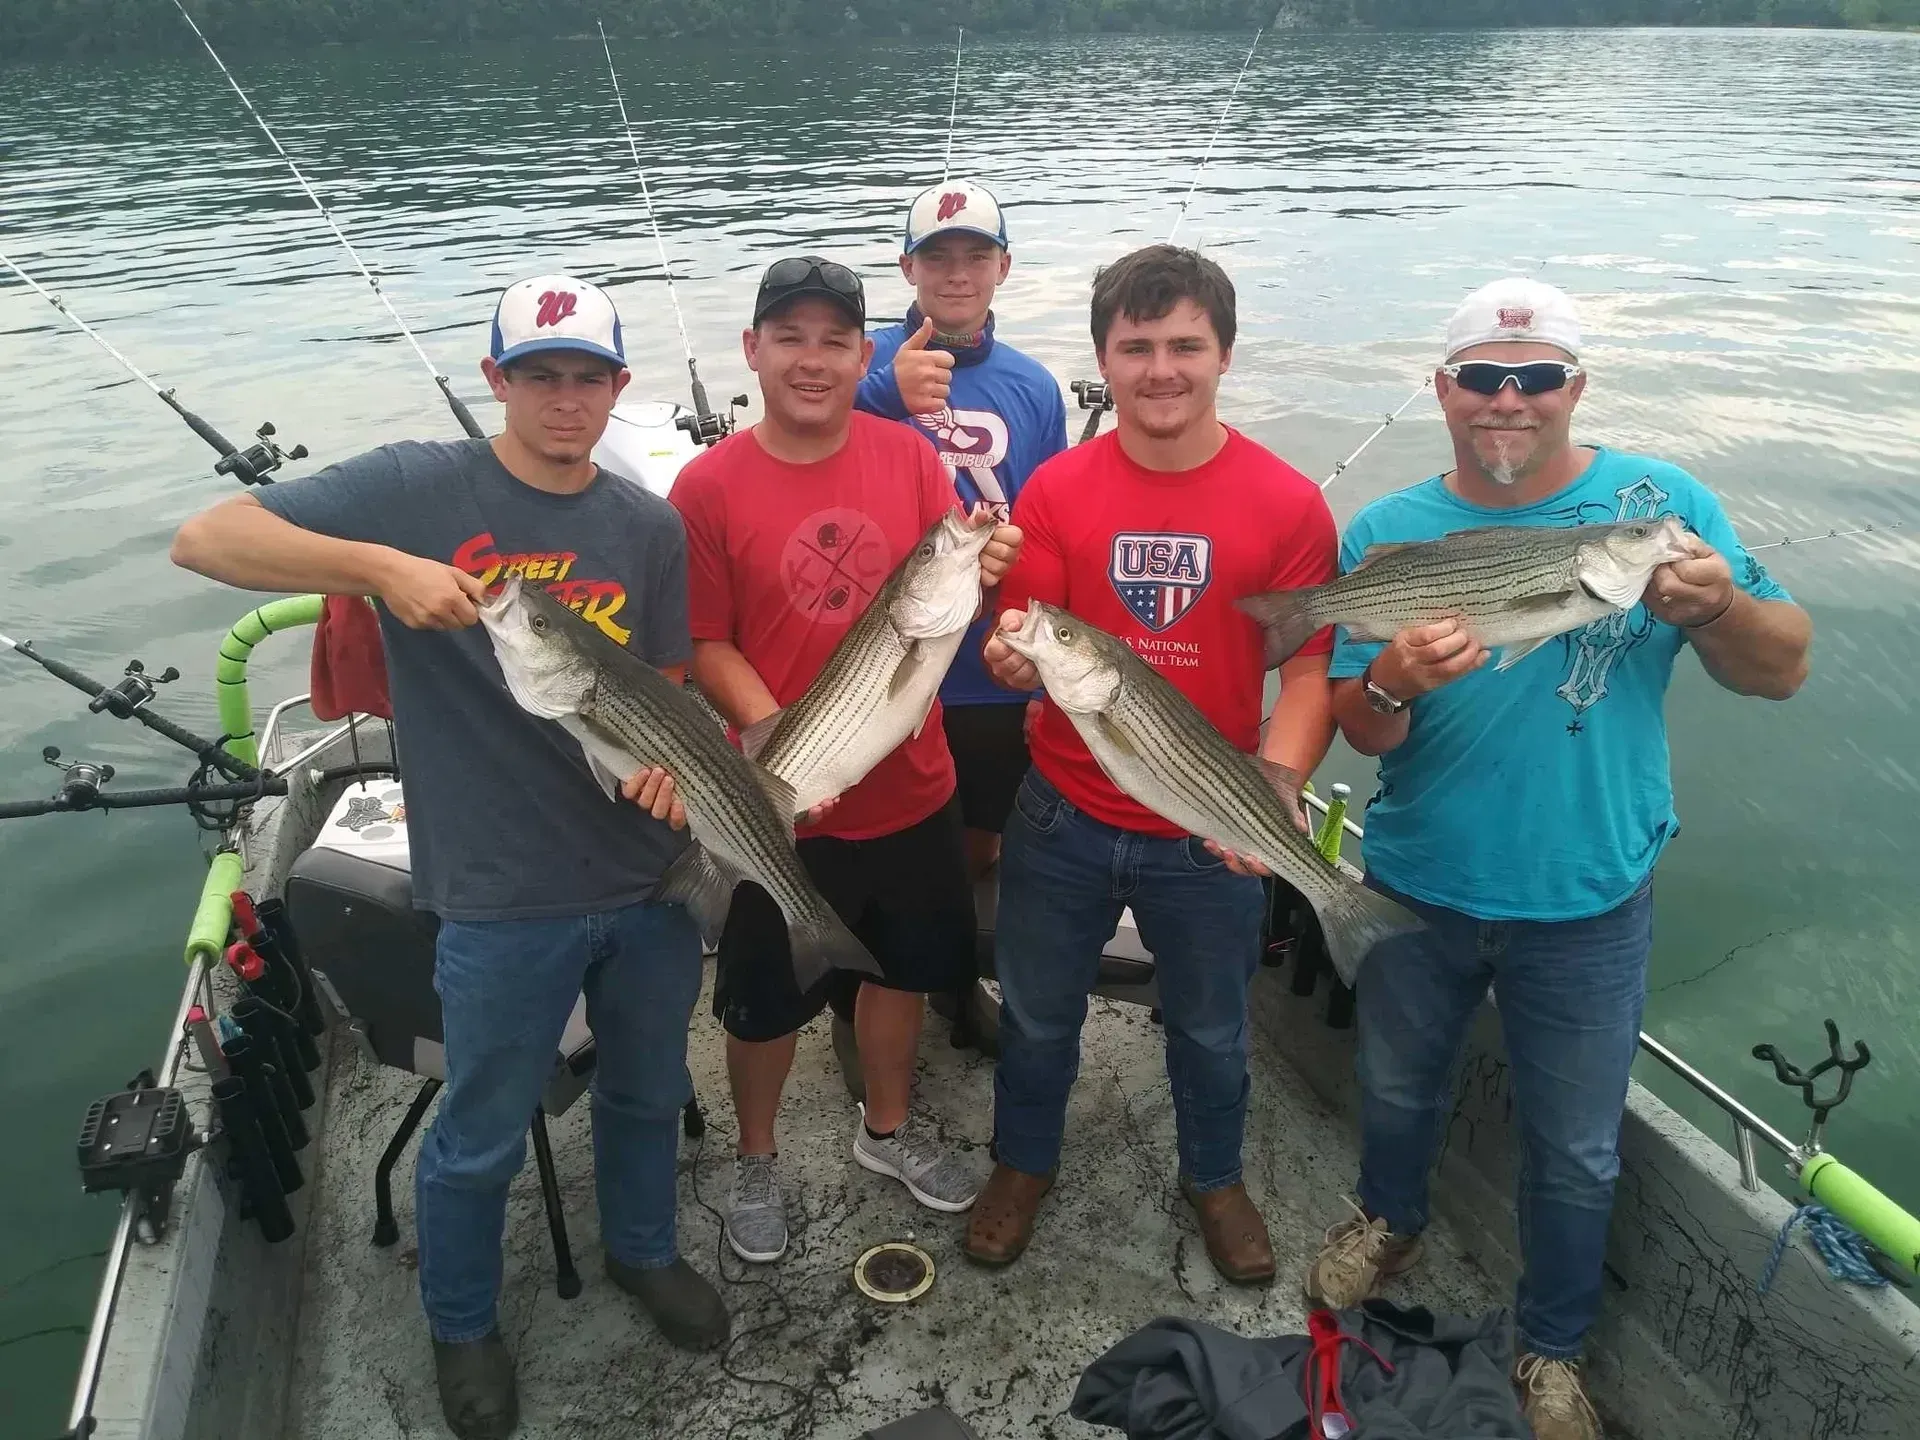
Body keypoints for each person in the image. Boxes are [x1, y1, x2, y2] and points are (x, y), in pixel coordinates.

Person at [169, 275, 728, 1440]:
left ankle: (641, 1250)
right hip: (498, 891)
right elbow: (206, 538)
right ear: (495, 383)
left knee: (647, 1088)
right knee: (479, 1130)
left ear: (619, 389)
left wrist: (675, 769)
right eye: (539, 375)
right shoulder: (419, 487)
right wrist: (380, 570)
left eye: (588, 378)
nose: (565, 399)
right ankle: (462, 1322)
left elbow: (666, 685)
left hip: (649, 880)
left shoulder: (648, 526)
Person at [1302, 277, 1812, 1440]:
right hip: (1417, 878)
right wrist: (1392, 682)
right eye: (1482, 377)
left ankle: (1553, 1349)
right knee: (1394, 1085)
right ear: (1443, 390)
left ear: (1576, 385)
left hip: (1591, 899)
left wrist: (1716, 609)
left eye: (1535, 378)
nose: (1509, 400)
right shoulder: (1386, 534)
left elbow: (1782, 668)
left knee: (1577, 1153)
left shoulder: (1662, 508)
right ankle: (1388, 1219)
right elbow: (1362, 729)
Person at [971, 243, 1340, 1285]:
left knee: (1214, 1031)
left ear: (1225, 354)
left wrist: (1277, 786)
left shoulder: (1288, 504)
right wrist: (1009, 655)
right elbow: (1024, 630)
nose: (1161, 369)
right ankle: (1023, 1161)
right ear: (1104, 359)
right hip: (1063, 815)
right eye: (1137, 347)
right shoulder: (1057, 488)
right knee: (1038, 1016)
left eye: (1186, 345)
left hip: (1209, 822)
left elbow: (1309, 672)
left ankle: (1214, 1177)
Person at [668, 255, 1023, 1266]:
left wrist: (987, 564)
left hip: (914, 791)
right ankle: (757, 1158)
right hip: (777, 790)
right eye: (790, 337)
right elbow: (705, 639)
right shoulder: (706, 485)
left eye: (835, 340)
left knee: (900, 975)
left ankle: (887, 1129)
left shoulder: (911, 458)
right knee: (762, 1002)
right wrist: (777, 732)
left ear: (864, 354)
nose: (813, 360)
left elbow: (945, 607)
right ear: (753, 350)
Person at [854, 177, 1069, 881]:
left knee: (981, 840)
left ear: (1003, 266)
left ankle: (962, 942)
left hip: (988, 669)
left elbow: (1047, 531)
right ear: (906, 267)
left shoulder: (1034, 386)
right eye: (936, 256)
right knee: (882, 844)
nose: (957, 274)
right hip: (879, 656)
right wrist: (882, 394)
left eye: (976, 256)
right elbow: (797, 437)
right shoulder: (861, 362)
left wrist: (1040, 684)